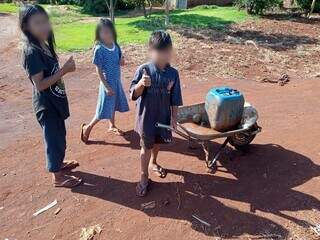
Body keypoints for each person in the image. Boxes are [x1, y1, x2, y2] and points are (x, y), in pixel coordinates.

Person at [20, 4, 82, 188]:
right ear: (26, 27)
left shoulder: (43, 45)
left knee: (59, 136)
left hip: (55, 102)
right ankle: (57, 176)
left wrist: (62, 70)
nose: (44, 26)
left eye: (45, 21)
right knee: (53, 139)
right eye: (37, 23)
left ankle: (59, 165)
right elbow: (39, 85)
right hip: (46, 106)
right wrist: (64, 70)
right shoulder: (31, 52)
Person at [130, 30, 183, 196]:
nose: (163, 55)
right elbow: (133, 94)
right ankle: (144, 175)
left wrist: (174, 117)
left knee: (158, 142)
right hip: (146, 118)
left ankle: (154, 162)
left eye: (166, 51)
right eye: (159, 51)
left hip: (163, 118)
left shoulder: (173, 74)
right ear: (151, 51)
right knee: (146, 147)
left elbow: (175, 98)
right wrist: (140, 84)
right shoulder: (144, 70)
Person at [80, 18, 129, 142]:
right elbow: (98, 70)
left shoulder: (116, 46)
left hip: (116, 82)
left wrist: (122, 61)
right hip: (107, 83)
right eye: (103, 32)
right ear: (99, 34)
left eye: (109, 32)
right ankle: (87, 127)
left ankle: (112, 125)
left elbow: (120, 62)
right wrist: (106, 86)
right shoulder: (99, 49)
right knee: (103, 109)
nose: (106, 35)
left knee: (113, 105)